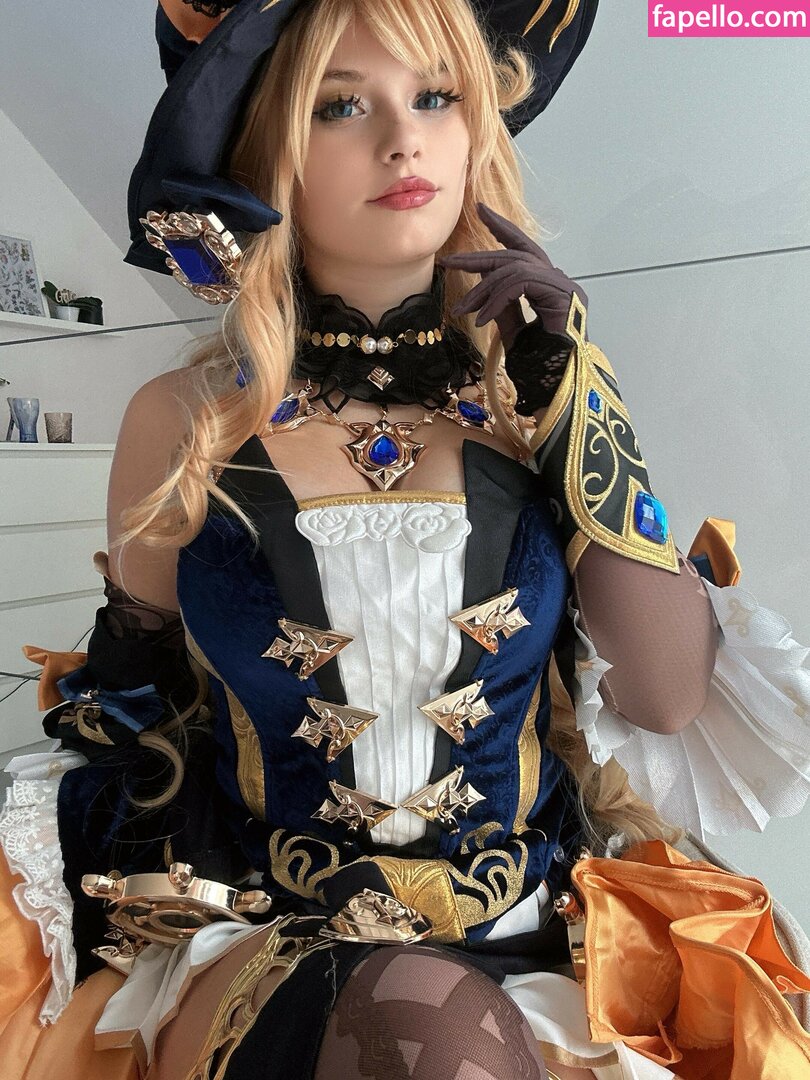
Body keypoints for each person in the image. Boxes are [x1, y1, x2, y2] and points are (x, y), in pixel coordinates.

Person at [2, 1, 809, 1077]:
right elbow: (137, 697)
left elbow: (665, 696)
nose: (403, 139)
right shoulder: (183, 421)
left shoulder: (535, 404)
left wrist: (582, 399)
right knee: (420, 1025)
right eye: (341, 106)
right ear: (267, 153)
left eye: (435, 97)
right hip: (267, 934)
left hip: (527, 939)